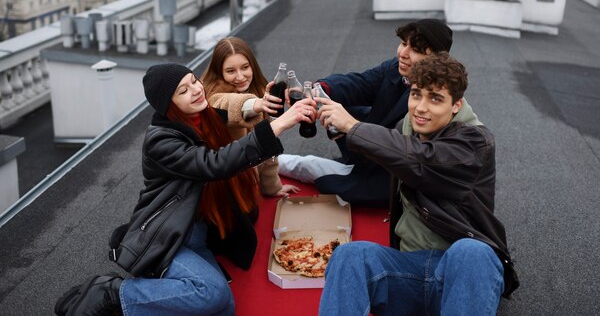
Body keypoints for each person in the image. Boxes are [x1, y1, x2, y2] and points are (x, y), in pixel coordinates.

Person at [55, 63, 317, 316]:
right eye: (183, 90)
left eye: (193, 80)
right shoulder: (161, 140)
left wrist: (259, 104)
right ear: (169, 104)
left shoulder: (202, 117)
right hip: (170, 235)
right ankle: (113, 293)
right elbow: (215, 164)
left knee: (222, 309)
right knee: (213, 295)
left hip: (199, 231)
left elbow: (228, 106)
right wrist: (281, 123)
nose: (196, 90)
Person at [316, 52, 519, 316]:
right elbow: (384, 150)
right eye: (416, 94)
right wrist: (335, 125)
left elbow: (420, 160)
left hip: (459, 274)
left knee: (473, 252)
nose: (421, 107)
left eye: (435, 98)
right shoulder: (407, 127)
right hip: (408, 270)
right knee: (349, 256)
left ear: (457, 104)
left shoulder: (476, 142)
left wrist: (354, 127)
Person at [280, 19, 481, 207]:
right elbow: (359, 83)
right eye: (403, 43)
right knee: (336, 104)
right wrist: (319, 91)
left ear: (436, 59)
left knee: (330, 182)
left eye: (416, 50)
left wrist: (352, 127)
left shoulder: (446, 113)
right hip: (379, 143)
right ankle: (351, 158)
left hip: (399, 166)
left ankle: (354, 168)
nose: (403, 53)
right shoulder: (395, 68)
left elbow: (411, 152)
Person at [200, 36, 300, 197]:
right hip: (220, 190)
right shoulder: (209, 97)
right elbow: (225, 103)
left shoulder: (260, 90)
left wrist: (272, 187)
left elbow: (267, 143)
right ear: (219, 71)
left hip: (247, 183)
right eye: (231, 71)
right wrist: (254, 105)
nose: (240, 77)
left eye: (245, 67)